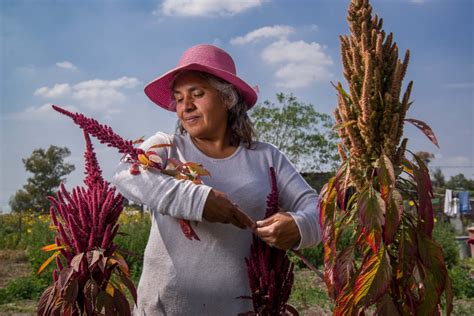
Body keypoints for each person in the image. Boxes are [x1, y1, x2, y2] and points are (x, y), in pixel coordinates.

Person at [111, 44, 320, 315]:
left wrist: (299, 226)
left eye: (197, 94)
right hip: (165, 308)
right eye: (179, 97)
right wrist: (199, 200)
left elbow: (316, 208)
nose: (186, 106)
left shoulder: (266, 157)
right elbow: (128, 175)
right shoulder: (166, 146)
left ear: (227, 98)